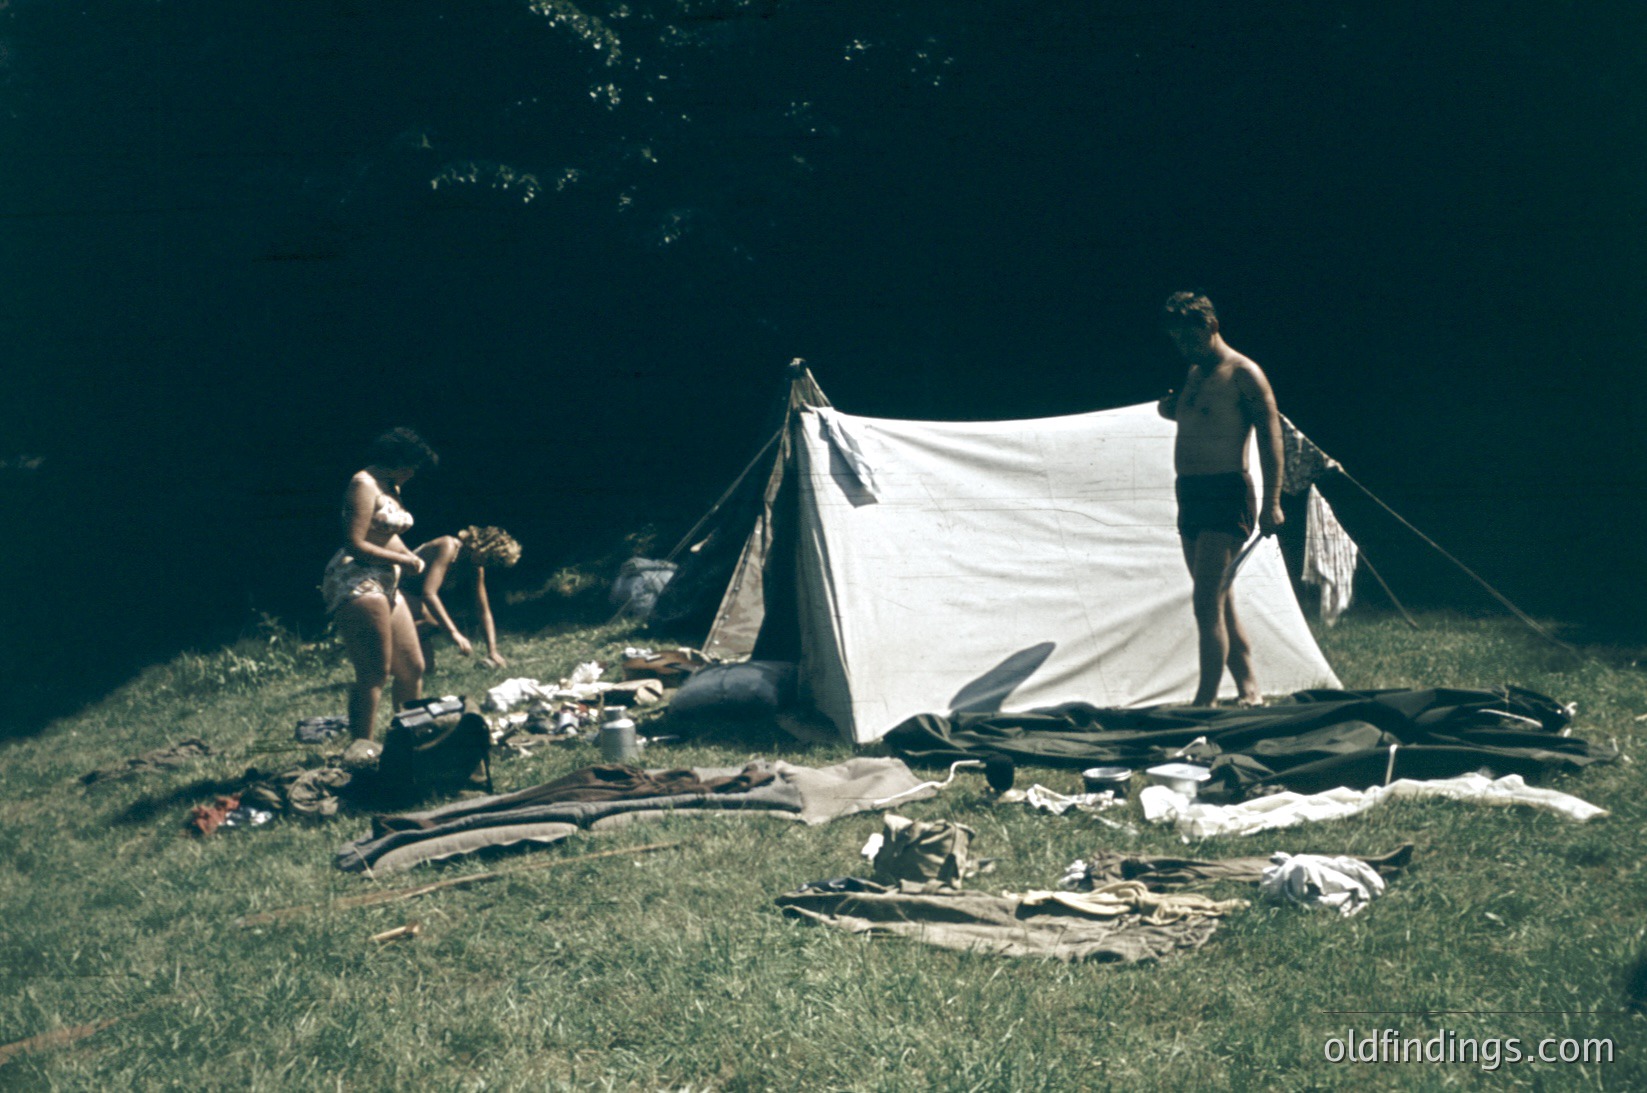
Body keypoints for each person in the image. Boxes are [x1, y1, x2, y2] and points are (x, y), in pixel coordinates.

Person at [1155, 292, 1284, 706]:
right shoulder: (1195, 372)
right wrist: (1170, 408)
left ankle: (1205, 700)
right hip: (1190, 494)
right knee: (1218, 595)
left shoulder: (1245, 373)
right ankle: (1249, 688)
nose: (1184, 349)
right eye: (1178, 342)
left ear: (1211, 326)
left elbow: (1271, 436)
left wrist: (1273, 502)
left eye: (1190, 340)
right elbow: (1198, 418)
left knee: (1205, 600)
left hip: (1225, 492)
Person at [320, 428, 438, 740]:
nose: (413, 473)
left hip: (387, 580)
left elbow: (385, 534)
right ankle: (362, 747)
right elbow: (356, 542)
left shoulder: (391, 485)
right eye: (410, 466)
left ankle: (411, 739)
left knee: (412, 666)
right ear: (396, 460)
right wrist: (401, 561)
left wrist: (408, 556)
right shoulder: (363, 483)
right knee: (374, 672)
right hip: (358, 578)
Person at [402, 525, 522, 669]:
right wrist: (454, 633)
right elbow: (429, 594)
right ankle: (383, 645)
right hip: (394, 586)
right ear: (482, 548)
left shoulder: (476, 566)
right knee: (433, 622)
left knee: (425, 669)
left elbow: (483, 610)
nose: (487, 565)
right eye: (489, 559)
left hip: (413, 594)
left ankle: (399, 651)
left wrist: (492, 651)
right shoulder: (448, 546)